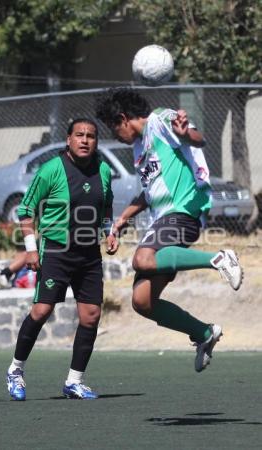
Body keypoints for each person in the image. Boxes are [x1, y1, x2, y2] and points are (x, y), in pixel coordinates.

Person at [96, 87, 243, 373]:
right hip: (163, 220)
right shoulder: (140, 149)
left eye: (114, 129)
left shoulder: (160, 120)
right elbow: (148, 193)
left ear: (124, 118)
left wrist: (186, 134)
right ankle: (203, 333)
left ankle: (220, 259)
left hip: (183, 210)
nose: (116, 136)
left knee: (142, 258)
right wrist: (121, 219)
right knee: (142, 301)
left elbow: (198, 140)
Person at [6, 118, 118, 401]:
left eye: (90, 136)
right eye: (79, 135)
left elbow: (106, 207)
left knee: (91, 316)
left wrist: (108, 232)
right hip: (56, 250)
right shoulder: (51, 170)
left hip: (89, 253)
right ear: (68, 139)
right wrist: (31, 249)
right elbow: (26, 210)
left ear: (96, 141)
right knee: (42, 311)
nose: (84, 140)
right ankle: (16, 370)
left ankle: (74, 382)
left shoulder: (104, 170)